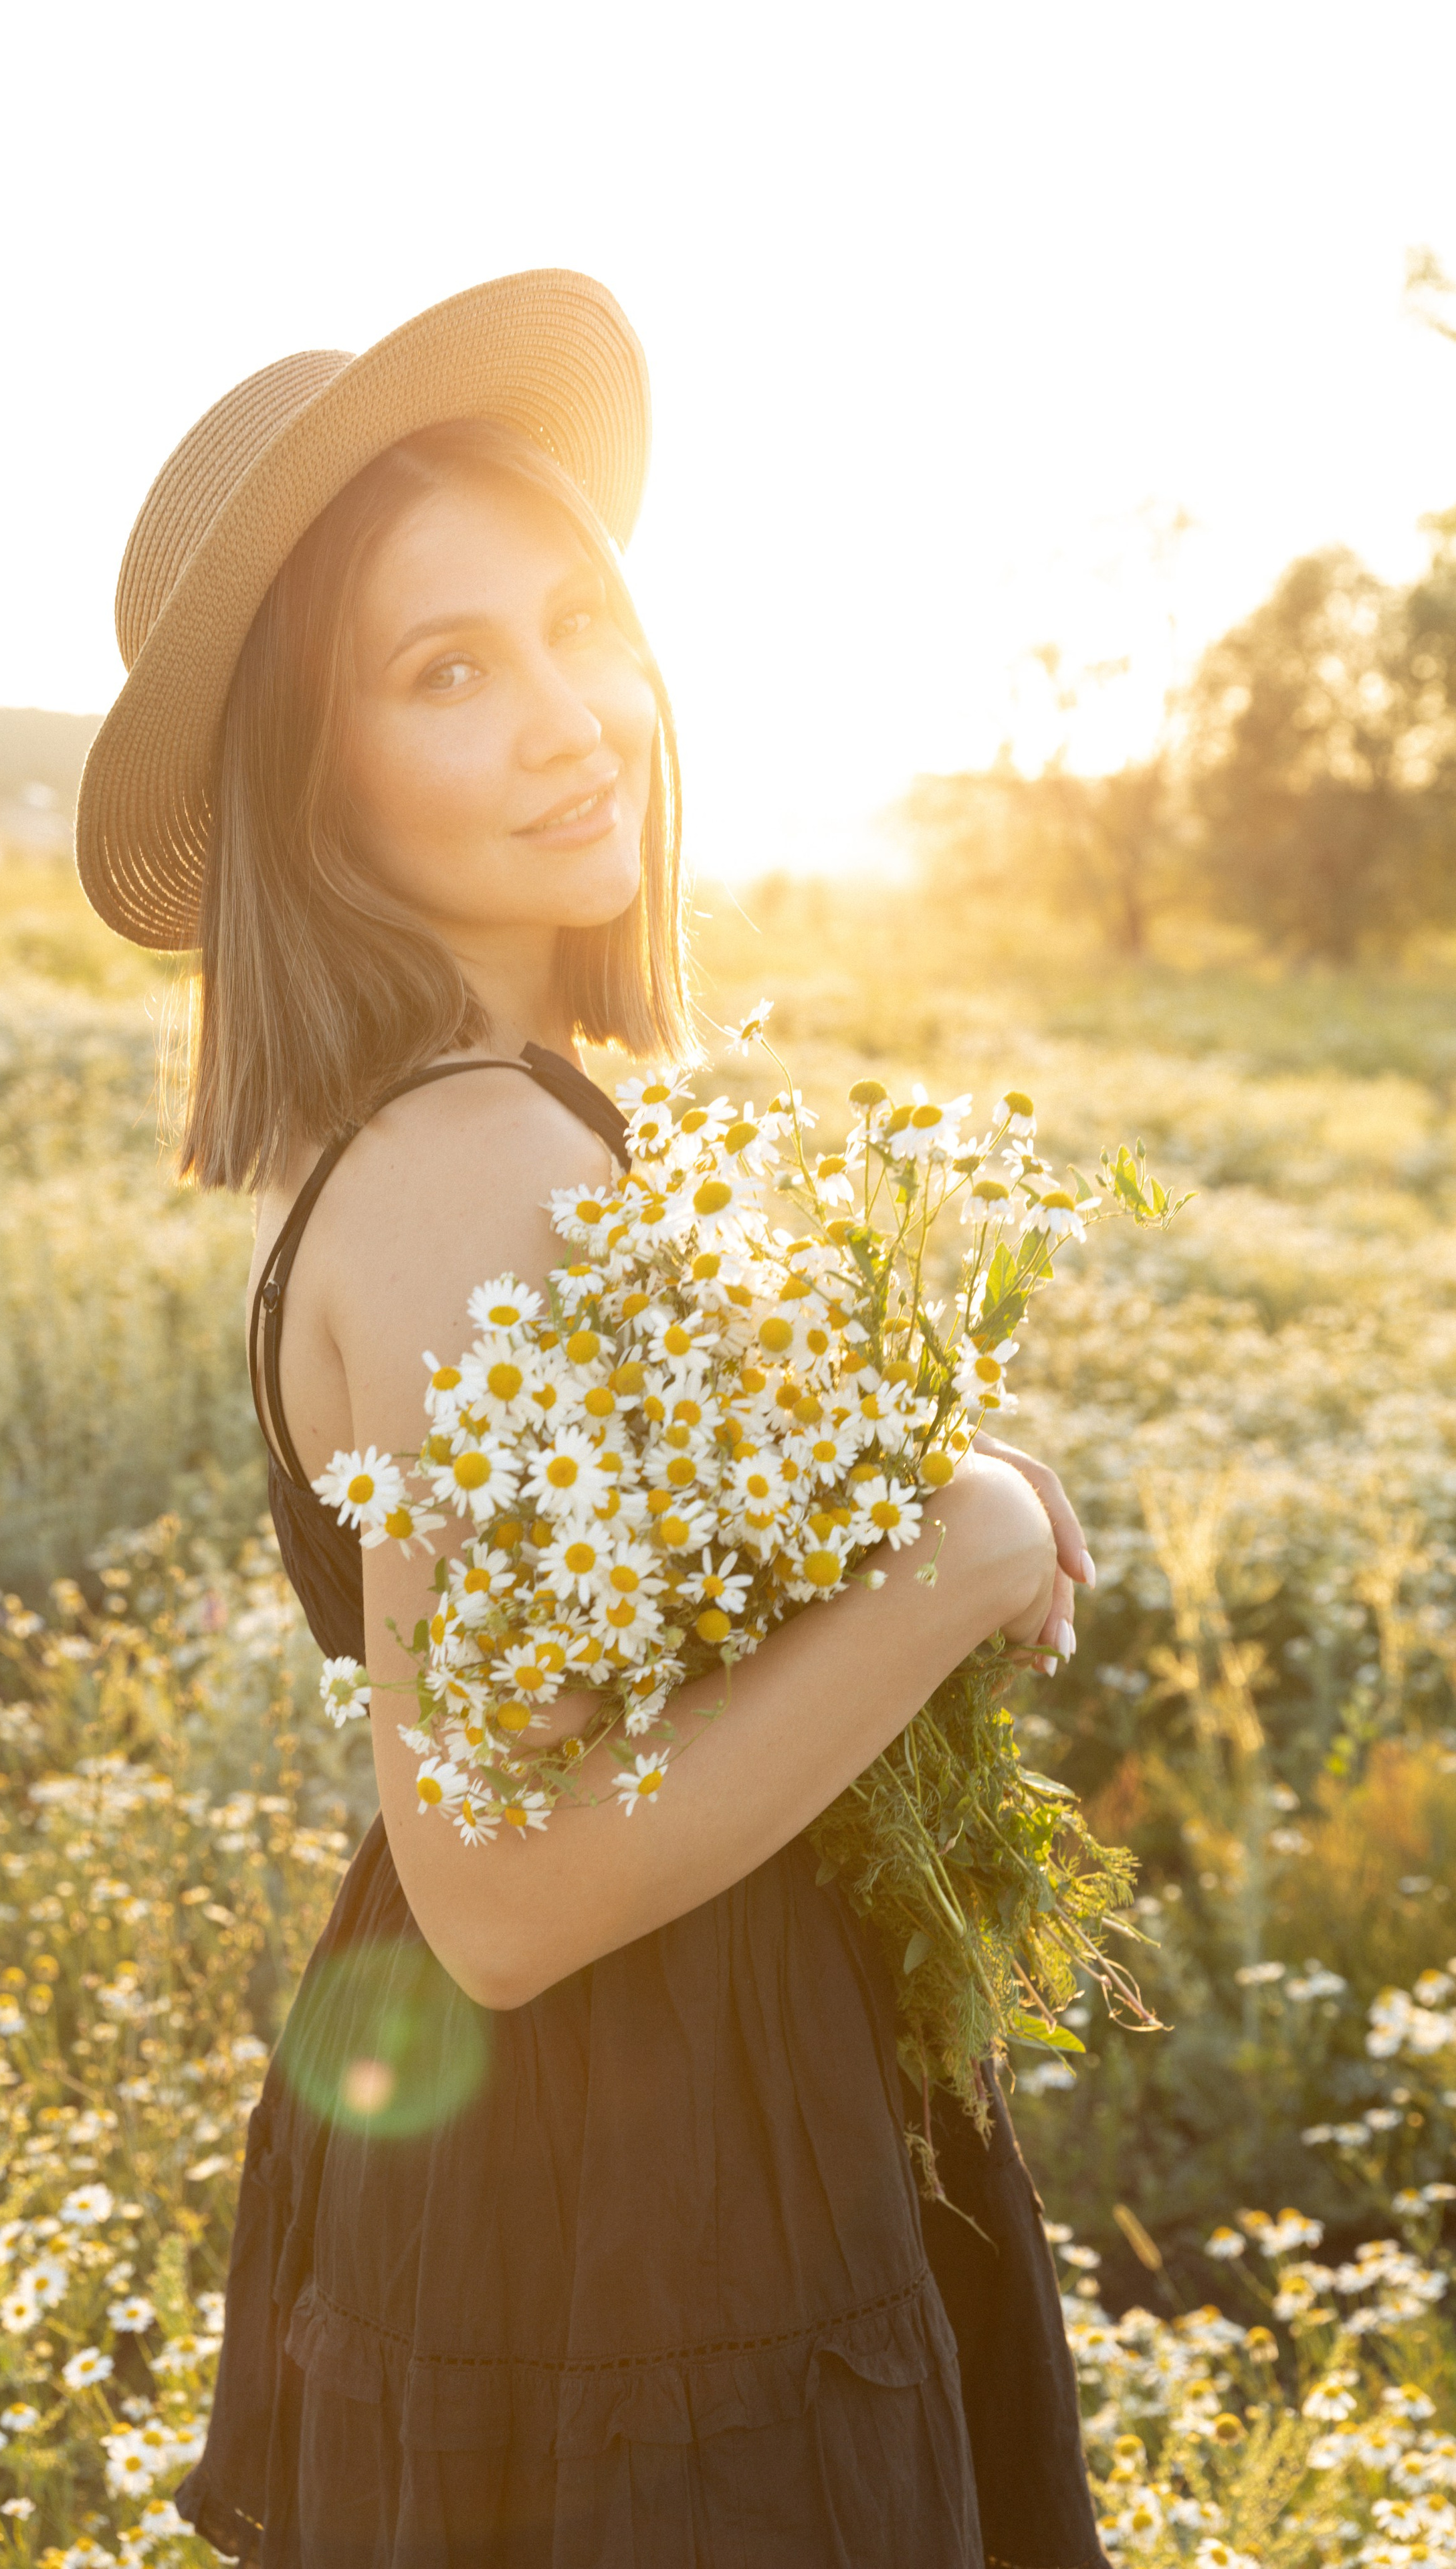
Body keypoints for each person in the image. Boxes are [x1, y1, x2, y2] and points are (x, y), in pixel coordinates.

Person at [76, 272, 1110, 2569]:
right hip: (623, 2198)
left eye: (578, 626)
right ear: (309, 781)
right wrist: (954, 1557)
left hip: (657, 2144)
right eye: (447, 673)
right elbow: (506, 1894)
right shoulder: (466, 1167)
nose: (575, 720)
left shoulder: (514, 1128)